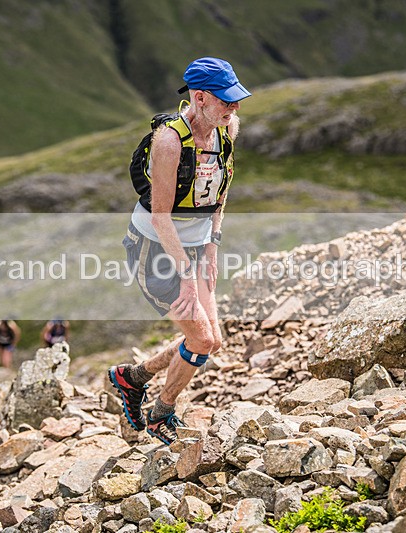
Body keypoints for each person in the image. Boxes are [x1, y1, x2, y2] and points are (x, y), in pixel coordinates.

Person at [108, 57, 250, 445]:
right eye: (226, 99)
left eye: (236, 98)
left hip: (197, 246)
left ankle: (132, 377)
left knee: (210, 339)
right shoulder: (169, 142)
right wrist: (187, 276)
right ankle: (161, 414)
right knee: (200, 340)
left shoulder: (227, 129)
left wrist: (212, 247)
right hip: (155, 251)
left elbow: (220, 193)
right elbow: (160, 217)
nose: (235, 106)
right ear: (199, 98)